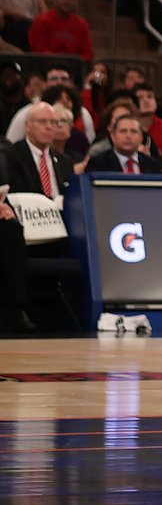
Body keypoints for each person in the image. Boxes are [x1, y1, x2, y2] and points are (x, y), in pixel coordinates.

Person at [0, 103, 75, 333]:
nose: (50, 127)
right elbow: (15, 194)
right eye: (43, 122)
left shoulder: (63, 160)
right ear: (27, 126)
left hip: (61, 225)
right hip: (29, 226)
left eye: (54, 122)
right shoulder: (11, 156)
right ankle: (19, 310)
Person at [27, 0, 93, 62]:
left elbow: (88, 53)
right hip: (47, 65)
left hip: (74, 67)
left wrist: (74, 62)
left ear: (75, 1)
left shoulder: (82, 24)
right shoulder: (41, 21)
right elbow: (39, 51)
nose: (66, 0)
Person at [87, 114, 162, 174]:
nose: (128, 136)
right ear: (113, 136)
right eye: (123, 131)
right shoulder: (98, 164)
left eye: (133, 131)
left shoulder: (154, 165)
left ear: (141, 138)